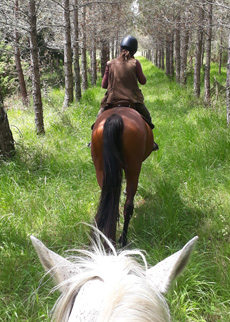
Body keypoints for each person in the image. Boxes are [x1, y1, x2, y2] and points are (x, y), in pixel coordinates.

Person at [94, 35, 158, 151]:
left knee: (98, 120)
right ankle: (151, 142)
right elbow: (143, 81)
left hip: (112, 101)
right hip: (132, 100)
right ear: (134, 50)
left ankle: (93, 141)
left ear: (120, 48)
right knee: (147, 117)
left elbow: (104, 85)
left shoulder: (110, 63)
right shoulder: (135, 63)